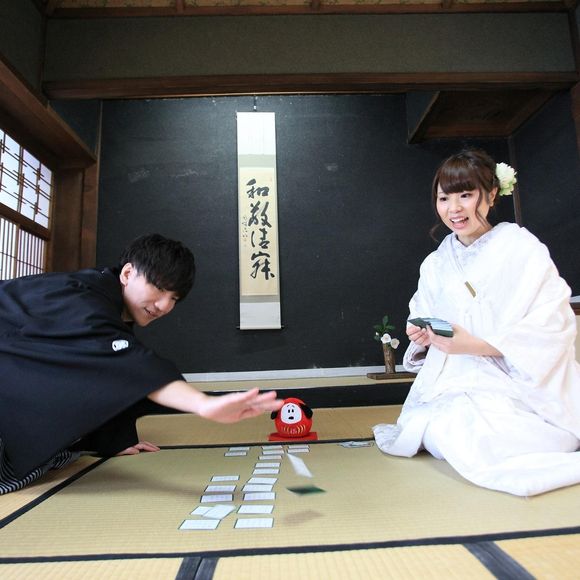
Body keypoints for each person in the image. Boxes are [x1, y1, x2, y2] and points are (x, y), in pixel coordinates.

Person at [0, 233, 282, 494]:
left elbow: (109, 372)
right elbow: (130, 363)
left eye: (174, 298)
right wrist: (202, 404)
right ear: (127, 273)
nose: (165, 306)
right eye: (159, 288)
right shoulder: (84, 302)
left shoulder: (104, 302)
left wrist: (113, 440)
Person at [373, 149, 580, 497]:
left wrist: (477, 345)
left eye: (466, 195)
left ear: (492, 194)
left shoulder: (521, 248)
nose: (454, 209)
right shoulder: (437, 262)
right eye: (444, 198)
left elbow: (552, 321)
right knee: (436, 425)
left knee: (479, 435)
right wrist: (421, 333)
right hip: (454, 377)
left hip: (512, 379)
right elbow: (422, 309)